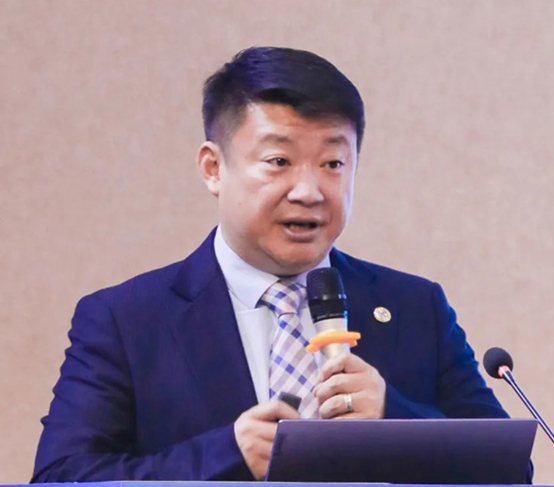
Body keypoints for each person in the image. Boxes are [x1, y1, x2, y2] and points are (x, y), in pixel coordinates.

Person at [31, 46, 510, 482]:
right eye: (279, 161)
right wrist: (227, 454)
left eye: (333, 164)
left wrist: (393, 417)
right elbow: (60, 478)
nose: (309, 191)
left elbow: (509, 471)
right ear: (213, 169)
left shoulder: (415, 306)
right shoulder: (126, 320)